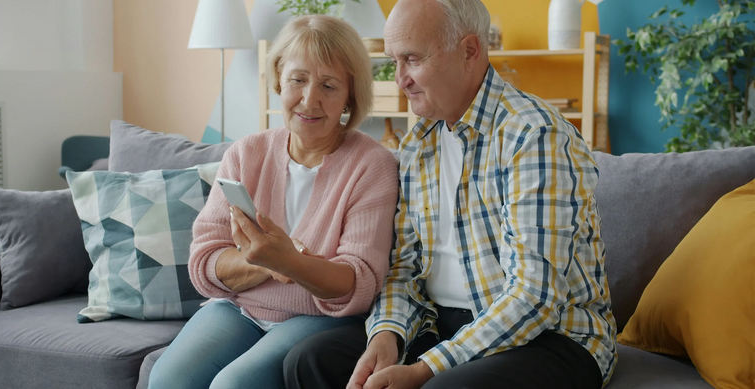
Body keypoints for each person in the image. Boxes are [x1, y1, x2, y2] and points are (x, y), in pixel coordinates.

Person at [283, 1, 618, 388]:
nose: (400, 79)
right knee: (310, 361)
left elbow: (534, 296)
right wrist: (386, 336)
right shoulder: (417, 145)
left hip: (551, 336)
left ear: (470, 51)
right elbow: (402, 270)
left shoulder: (534, 136)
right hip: (439, 323)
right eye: (395, 61)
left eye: (412, 59)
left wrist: (425, 369)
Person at [147, 15, 399, 389]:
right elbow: (204, 262)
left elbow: (359, 284)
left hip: (316, 316)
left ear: (350, 95)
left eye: (328, 85)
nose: (309, 99)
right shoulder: (246, 153)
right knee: (167, 379)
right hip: (238, 309)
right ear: (280, 78)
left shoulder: (372, 165)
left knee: (233, 385)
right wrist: (272, 260)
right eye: (298, 79)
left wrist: (287, 260)